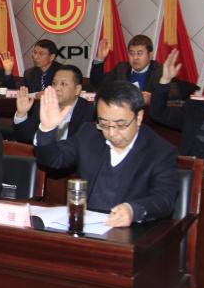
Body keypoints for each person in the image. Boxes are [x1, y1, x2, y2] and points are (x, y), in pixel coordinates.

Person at [34, 80, 178, 227]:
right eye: (104, 124)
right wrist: (47, 129)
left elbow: (164, 199)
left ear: (139, 117)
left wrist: (133, 210)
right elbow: (54, 159)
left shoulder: (160, 151)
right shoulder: (89, 134)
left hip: (129, 231)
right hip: (86, 226)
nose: (111, 133)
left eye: (120, 125)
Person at [13, 64, 93, 144]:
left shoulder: (90, 112)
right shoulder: (43, 106)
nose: (57, 88)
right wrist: (21, 114)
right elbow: (24, 139)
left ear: (77, 89)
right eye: (54, 83)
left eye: (63, 84)